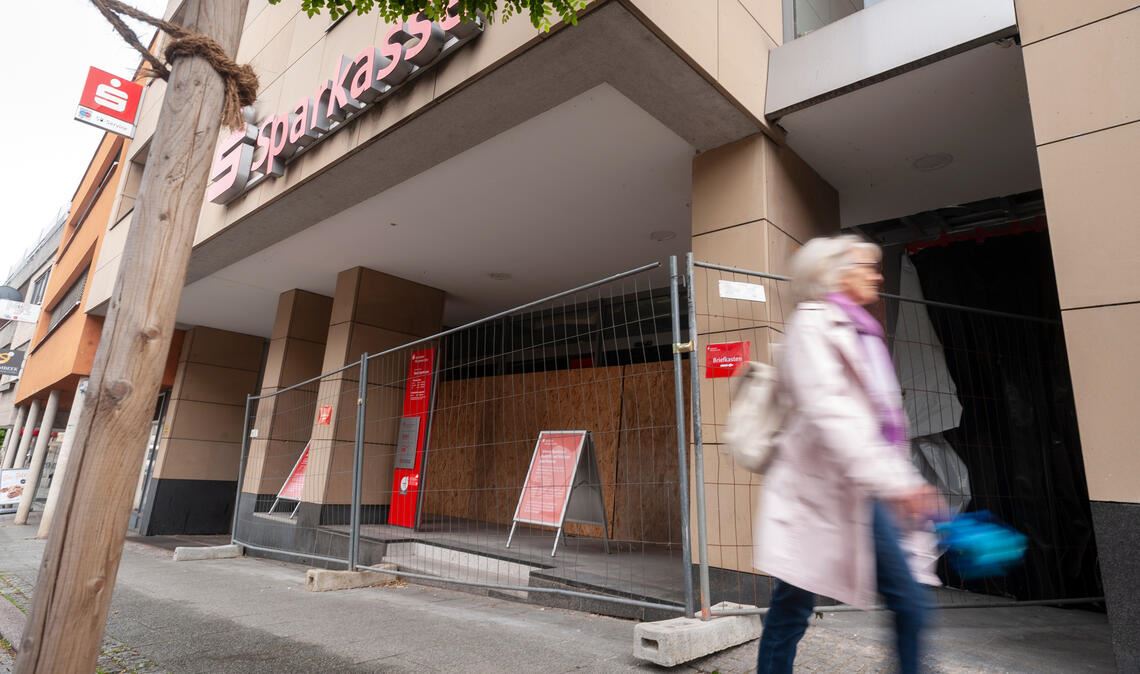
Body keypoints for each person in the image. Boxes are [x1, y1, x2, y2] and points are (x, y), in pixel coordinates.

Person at [754, 235, 943, 674]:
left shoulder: (864, 331)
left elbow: (884, 424)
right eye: (865, 266)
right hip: (824, 491)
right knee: (795, 607)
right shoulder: (812, 323)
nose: (876, 274)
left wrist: (903, 482)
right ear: (834, 273)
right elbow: (831, 411)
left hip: (865, 488)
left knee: (908, 602)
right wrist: (900, 484)